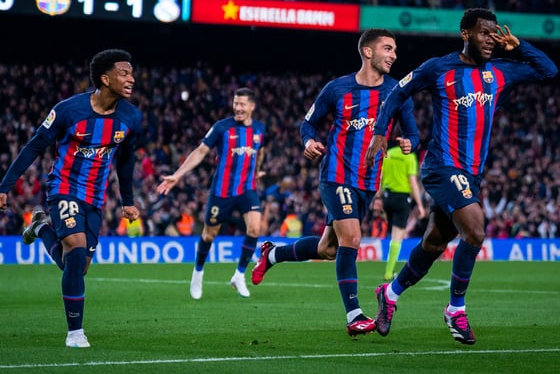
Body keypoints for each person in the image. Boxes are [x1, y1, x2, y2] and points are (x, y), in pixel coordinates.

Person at [365, 8, 558, 345]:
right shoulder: (438, 68)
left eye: (494, 34)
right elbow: (397, 93)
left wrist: (520, 46)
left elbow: (549, 70)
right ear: (465, 34)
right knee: (476, 230)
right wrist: (380, 132)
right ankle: (456, 310)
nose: (491, 39)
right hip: (442, 166)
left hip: (472, 174)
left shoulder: (500, 71)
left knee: (433, 243)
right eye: (484, 33)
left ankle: (390, 293)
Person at [251, 28, 419, 337]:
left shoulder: (397, 92)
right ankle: (354, 315)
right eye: (387, 48)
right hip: (336, 174)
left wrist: (410, 142)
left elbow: (413, 132)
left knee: (328, 249)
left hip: (368, 182)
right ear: (367, 52)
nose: (394, 55)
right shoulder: (337, 89)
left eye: (395, 49)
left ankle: (273, 254)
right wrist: (309, 141)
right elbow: (308, 123)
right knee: (351, 239)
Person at [0, 49, 142, 348]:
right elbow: (34, 146)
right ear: (105, 79)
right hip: (64, 187)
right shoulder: (68, 110)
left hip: (95, 197)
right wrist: (4, 186)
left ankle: (41, 228)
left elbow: (126, 160)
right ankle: (75, 333)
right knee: (76, 252)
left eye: (131, 73)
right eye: (124, 73)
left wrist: (127, 201)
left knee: (77, 266)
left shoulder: (131, 116)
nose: (131, 78)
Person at [157, 87, 265, 300]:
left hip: (247, 189)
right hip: (221, 191)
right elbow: (200, 152)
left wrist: (257, 172)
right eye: (235, 103)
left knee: (255, 228)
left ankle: (239, 275)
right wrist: (177, 175)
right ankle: (197, 273)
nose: (238, 108)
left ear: (252, 106)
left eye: (242, 104)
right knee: (209, 235)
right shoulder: (222, 127)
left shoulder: (260, 129)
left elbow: (260, 151)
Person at [379, 140, 426, 281]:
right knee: (398, 236)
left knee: (392, 233)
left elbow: (380, 177)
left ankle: (389, 267)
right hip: (402, 199)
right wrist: (420, 204)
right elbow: (413, 182)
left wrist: (378, 198)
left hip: (387, 197)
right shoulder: (410, 157)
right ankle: (389, 272)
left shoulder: (388, 154)